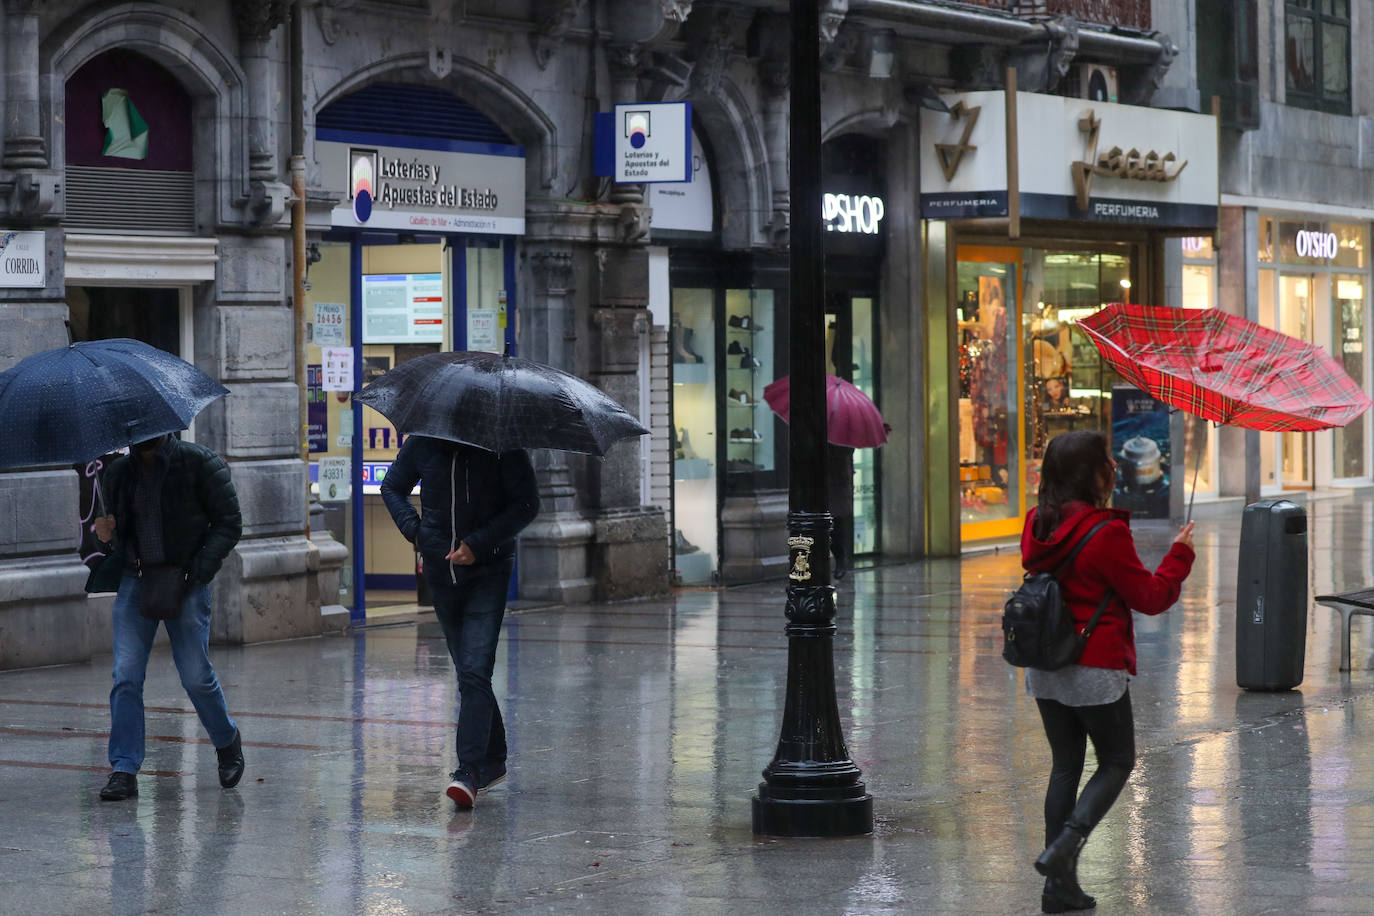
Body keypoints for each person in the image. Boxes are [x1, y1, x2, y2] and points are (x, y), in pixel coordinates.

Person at [1020, 430, 1194, 913]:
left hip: (1046, 665)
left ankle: (1058, 886)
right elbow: (1151, 597)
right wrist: (1180, 556)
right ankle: (1065, 847)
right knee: (1117, 761)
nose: (1115, 469)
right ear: (1089, 473)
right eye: (1107, 462)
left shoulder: (1037, 522)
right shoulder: (1105, 532)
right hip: (1094, 667)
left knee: (1065, 766)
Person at [381, 435, 539, 808]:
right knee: (471, 674)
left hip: (490, 571)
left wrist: (479, 543)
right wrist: (416, 532)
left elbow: (527, 504)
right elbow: (393, 486)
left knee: (474, 670)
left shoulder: (503, 446)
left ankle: (467, 771)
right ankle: (494, 759)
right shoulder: (423, 441)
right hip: (440, 573)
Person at [88, 433, 244, 801]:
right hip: (135, 580)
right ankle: (124, 768)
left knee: (196, 676)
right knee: (125, 675)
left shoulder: (198, 462)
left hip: (185, 581)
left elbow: (229, 522)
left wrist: (199, 570)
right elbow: (115, 539)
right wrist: (104, 537)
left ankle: (226, 741)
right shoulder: (118, 473)